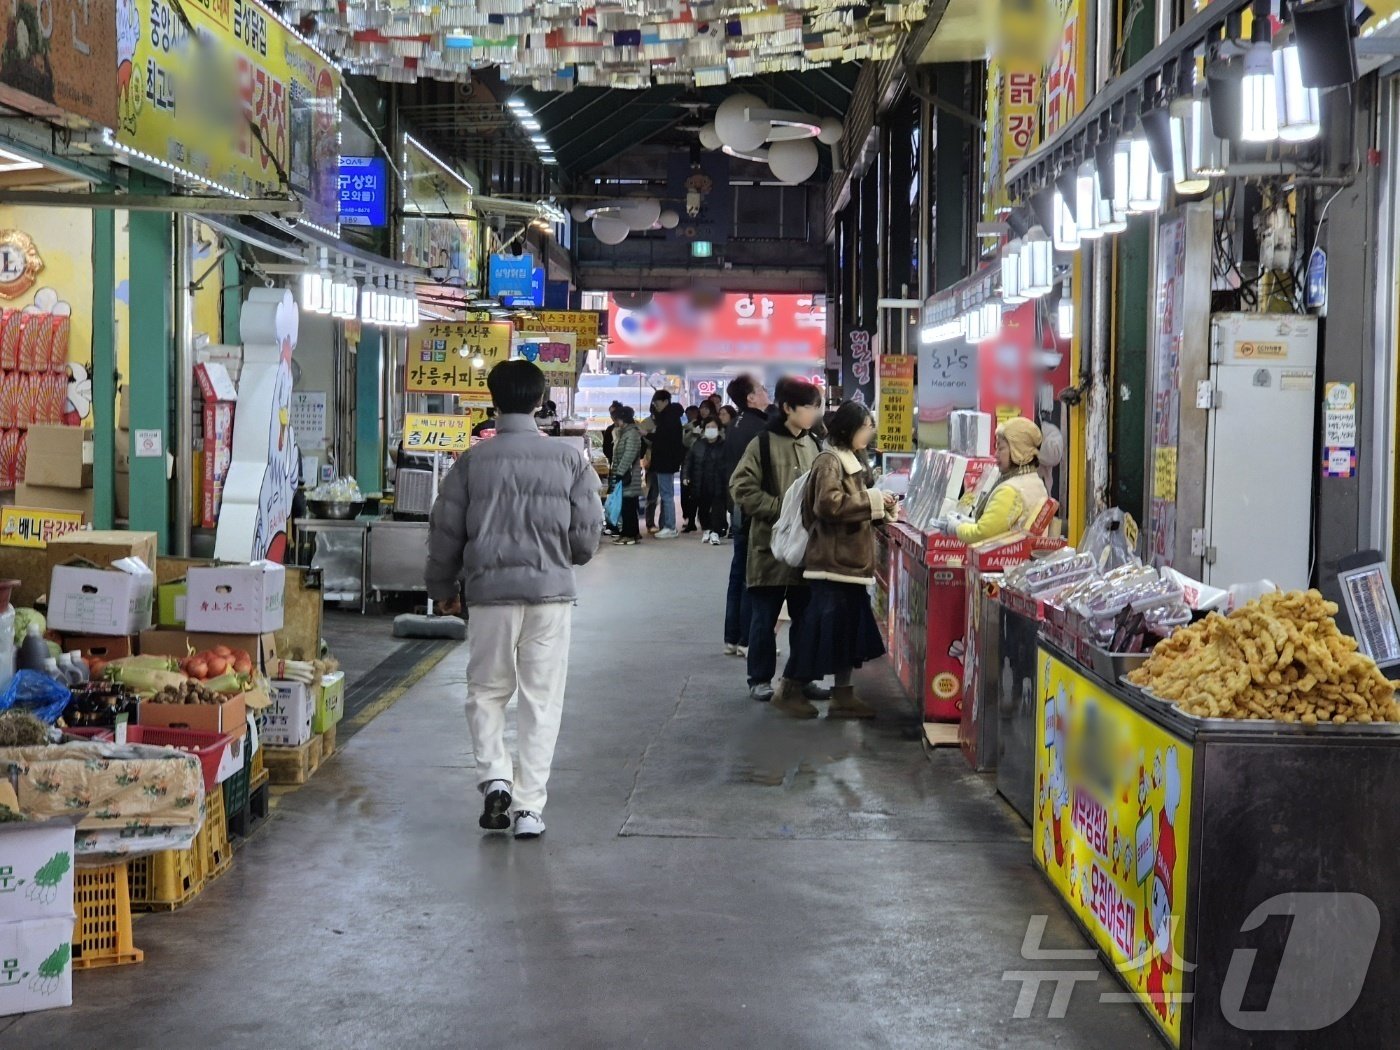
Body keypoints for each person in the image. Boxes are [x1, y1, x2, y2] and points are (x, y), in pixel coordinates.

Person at [425, 360, 602, 840]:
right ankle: (528, 809)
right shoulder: (570, 460)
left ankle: (495, 778)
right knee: (541, 700)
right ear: (541, 401)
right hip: (549, 598)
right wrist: (560, 558)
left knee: (487, 691)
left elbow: (444, 534)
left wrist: (443, 590)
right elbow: (586, 541)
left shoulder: (471, 462)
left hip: (489, 598)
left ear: (494, 401)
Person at [776, 401, 898, 719]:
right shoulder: (829, 461)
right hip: (831, 565)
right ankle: (789, 689)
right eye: (866, 427)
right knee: (819, 630)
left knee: (847, 633)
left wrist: (881, 508)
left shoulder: (852, 460)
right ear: (850, 428)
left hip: (851, 565)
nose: (869, 434)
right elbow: (827, 505)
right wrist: (871, 500)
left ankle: (843, 695)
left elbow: (853, 505)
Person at [730, 377, 828, 704]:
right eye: (810, 407)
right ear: (788, 408)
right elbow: (741, 487)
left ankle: (801, 678)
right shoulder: (762, 443)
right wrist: (780, 510)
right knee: (764, 618)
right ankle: (759, 679)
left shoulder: (815, 444)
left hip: (804, 550)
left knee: (806, 618)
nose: (815, 413)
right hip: (769, 547)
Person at [721, 374, 771, 657]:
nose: (766, 393)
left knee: (738, 571)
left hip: (737, 506)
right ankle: (748, 639)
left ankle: (732, 636)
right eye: (762, 389)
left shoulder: (737, 424)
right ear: (751, 398)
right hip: (752, 508)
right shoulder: (759, 428)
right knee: (754, 573)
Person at [948, 416, 1050, 544]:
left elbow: (983, 533)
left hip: (1007, 563)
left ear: (1018, 451)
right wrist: (965, 521)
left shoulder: (1011, 490)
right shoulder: (1035, 481)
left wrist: (955, 528)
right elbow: (998, 527)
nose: (996, 454)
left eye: (1001, 448)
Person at [646, 389, 686, 538]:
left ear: (665, 401)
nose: (655, 406)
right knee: (665, 494)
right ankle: (666, 525)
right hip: (666, 460)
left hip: (665, 460)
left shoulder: (669, 418)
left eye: (657, 403)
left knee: (667, 495)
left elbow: (663, 439)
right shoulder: (669, 416)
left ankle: (670, 526)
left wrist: (647, 434)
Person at [683, 414, 729, 545]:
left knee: (718, 509)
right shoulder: (697, 444)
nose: (711, 429)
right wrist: (686, 476)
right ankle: (707, 529)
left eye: (713, 427)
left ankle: (715, 532)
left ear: (719, 429)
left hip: (718, 482)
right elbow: (688, 461)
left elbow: (729, 464)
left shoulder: (724, 445)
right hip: (700, 482)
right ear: (703, 430)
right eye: (708, 427)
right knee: (702, 509)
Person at [609, 405, 646, 545]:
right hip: (625, 474)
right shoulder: (624, 432)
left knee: (628, 506)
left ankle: (628, 535)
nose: (616, 423)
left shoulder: (631, 433)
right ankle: (632, 533)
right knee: (628, 505)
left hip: (628, 475)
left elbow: (629, 454)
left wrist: (619, 472)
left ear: (622, 419)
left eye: (617, 419)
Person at [681, 405, 704, 533]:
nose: (692, 414)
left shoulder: (710, 424)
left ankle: (706, 521)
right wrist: (692, 432)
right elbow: (685, 442)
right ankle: (690, 520)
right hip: (692, 462)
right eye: (689, 413)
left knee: (704, 495)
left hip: (707, 463)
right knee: (689, 494)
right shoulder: (689, 427)